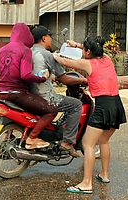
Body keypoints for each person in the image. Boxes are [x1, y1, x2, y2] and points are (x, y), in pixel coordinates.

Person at [53, 36, 127, 194]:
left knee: (88, 144)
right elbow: (94, 49)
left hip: (103, 107)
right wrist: (77, 45)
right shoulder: (106, 58)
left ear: (88, 52)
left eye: (84, 49)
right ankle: (105, 175)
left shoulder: (87, 63)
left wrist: (52, 55)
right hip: (117, 104)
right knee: (104, 141)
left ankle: (86, 183)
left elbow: (66, 62)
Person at [0, 23, 58, 149]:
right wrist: (42, 78)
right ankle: (32, 139)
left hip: (2, 93)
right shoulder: (25, 50)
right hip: (18, 94)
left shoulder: (2, 50)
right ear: (25, 34)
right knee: (51, 110)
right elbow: (25, 75)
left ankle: (8, 136)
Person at [30, 25, 87, 157]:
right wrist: (83, 81)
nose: (51, 40)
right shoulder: (48, 55)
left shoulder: (29, 51)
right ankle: (67, 142)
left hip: (30, 95)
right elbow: (65, 80)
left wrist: (51, 76)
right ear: (44, 38)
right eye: (50, 37)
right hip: (45, 97)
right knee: (76, 105)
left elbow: (38, 70)